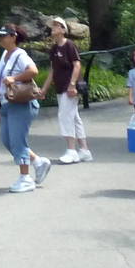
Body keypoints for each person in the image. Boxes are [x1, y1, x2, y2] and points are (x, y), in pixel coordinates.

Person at [0, 23, 51, 193]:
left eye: (3, 35)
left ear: (13, 37)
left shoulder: (20, 54)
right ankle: (39, 163)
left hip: (20, 103)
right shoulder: (5, 54)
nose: (0, 38)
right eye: (0, 35)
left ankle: (25, 179)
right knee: (8, 141)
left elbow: (33, 71)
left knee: (18, 142)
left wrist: (14, 78)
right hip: (6, 103)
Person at [41, 16, 92, 163]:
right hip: (60, 86)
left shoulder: (69, 45)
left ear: (63, 30)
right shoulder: (54, 49)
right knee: (74, 117)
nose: (53, 28)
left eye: (57, 26)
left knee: (65, 116)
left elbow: (77, 65)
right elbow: (52, 71)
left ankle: (71, 150)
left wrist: (72, 84)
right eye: (53, 26)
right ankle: (84, 150)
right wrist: (44, 89)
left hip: (69, 87)